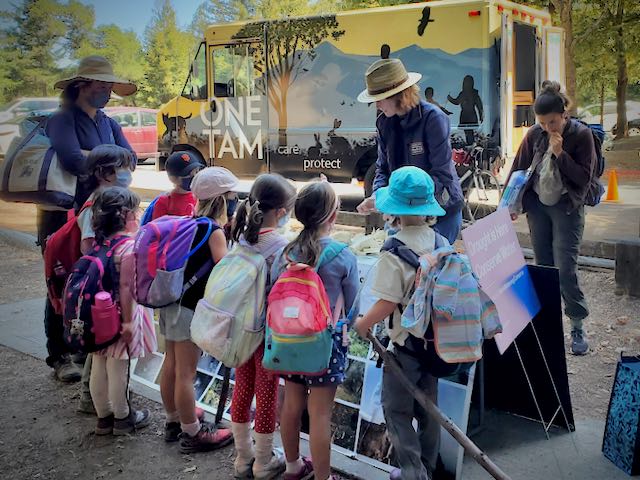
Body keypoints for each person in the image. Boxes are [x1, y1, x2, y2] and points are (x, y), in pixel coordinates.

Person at [40, 55, 137, 382]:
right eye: (101, 85)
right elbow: (69, 159)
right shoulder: (63, 119)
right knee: (62, 282)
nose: (107, 90)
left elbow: (131, 158)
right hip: (64, 218)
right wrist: (107, 158)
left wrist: (97, 159)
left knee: (95, 281)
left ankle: (86, 344)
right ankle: (60, 355)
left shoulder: (108, 122)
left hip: (101, 215)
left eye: (110, 85)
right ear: (81, 86)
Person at [354, 166, 446, 480]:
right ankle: (429, 467)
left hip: (405, 345)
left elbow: (387, 303)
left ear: (393, 211)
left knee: (396, 408)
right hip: (436, 342)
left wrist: (362, 325)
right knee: (429, 409)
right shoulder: (440, 240)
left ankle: (412, 472)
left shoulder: (394, 250)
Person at [271, 181, 359, 480]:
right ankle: (323, 477)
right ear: (333, 216)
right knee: (320, 413)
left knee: (292, 405)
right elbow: (353, 307)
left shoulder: (286, 253)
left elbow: (273, 295)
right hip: (325, 345)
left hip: (288, 341)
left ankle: (293, 467)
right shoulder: (343, 255)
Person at [507, 81, 595, 355]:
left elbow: (583, 178)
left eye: (553, 122)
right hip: (538, 207)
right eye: (543, 123)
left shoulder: (581, 136)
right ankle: (546, 326)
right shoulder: (535, 134)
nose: (548, 128)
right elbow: (518, 169)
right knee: (543, 267)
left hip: (567, 207)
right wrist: (509, 203)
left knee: (565, 269)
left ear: (564, 115)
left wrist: (560, 154)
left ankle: (577, 323)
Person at [159, 167, 241, 453]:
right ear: (221, 200)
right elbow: (226, 270)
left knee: (170, 363)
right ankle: (192, 432)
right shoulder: (213, 230)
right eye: (232, 197)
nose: (235, 202)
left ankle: (173, 420)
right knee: (187, 373)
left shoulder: (189, 223)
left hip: (171, 304)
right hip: (190, 310)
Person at [229, 174, 297, 479]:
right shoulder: (281, 245)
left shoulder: (241, 237)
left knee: (242, 387)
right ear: (282, 212)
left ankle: (242, 457)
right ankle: (263, 461)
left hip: (241, 329)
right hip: (266, 332)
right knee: (267, 392)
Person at [356, 58, 464, 245]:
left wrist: (400, 198)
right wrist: (378, 196)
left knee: (431, 269)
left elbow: (442, 175)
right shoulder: (384, 123)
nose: (377, 106)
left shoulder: (433, 119)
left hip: (439, 210)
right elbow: (382, 168)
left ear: (397, 95)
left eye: (379, 99)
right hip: (402, 214)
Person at [88, 186, 156, 435]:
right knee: (119, 368)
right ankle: (123, 417)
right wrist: (128, 323)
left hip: (97, 314)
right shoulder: (128, 248)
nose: (139, 215)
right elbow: (126, 287)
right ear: (126, 215)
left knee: (99, 363)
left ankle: (103, 418)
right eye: (137, 211)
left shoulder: (100, 243)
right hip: (119, 317)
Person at [76, 144, 137, 415]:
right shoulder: (96, 208)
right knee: (111, 361)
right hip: (107, 302)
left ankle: (102, 413)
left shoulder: (100, 202)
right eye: (122, 168)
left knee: (99, 357)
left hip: (95, 298)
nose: (127, 173)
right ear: (105, 173)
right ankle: (119, 416)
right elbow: (88, 249)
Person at [150, 150, 203, 220]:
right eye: (189, 173)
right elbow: (158, 228)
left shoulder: (201, 198)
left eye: (196, 171)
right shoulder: (165, 202)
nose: (194, 176)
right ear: (173, 178)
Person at [447, 75, 484, 146]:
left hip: (470, 115)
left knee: (469, 132)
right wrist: (450, 99)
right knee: (468, 132)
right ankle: (470, 144)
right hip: (466, 115)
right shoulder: (465, 93)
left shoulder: (473, 94)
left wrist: (481, 116)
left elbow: (480, 106)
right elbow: (457, 102)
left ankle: (471, 145)